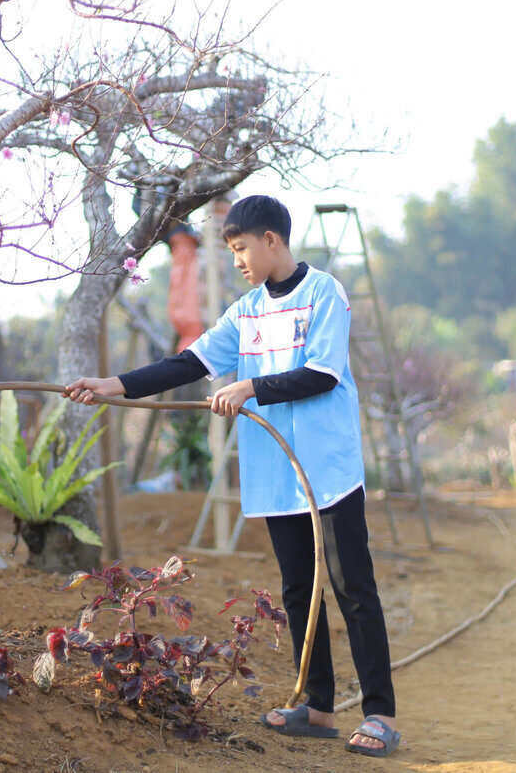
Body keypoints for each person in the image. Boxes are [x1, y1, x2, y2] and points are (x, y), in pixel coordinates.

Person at [64, 194, 401, 757]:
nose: (239, 261)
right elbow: (189, 363)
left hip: (327, 470)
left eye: (243, 249)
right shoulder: (244, 312)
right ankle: (317, 706)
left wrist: (250, 386)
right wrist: (112, 385)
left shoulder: (324, 293)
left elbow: (321, 373)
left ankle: (380, 714)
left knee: (352, 589)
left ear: (272, 240)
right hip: (275, 472)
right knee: (299, 591)